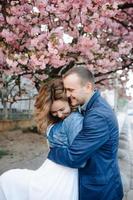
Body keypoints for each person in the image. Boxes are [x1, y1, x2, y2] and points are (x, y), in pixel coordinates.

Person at [48, 66, 124, 200]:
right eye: (66, 90)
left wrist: (52, 151)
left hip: (100, 191)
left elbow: (74, 158)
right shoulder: (91, 107)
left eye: (71, 90)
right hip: (99, 185)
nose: (67, 95)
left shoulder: (98, 116)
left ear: (88, 87)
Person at [0, 78, 83, 200]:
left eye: (62, 109)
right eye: (54, 112)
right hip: (48, 172)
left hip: (62, 178)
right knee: (7, 180)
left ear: (69, 102)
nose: (59, 115)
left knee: (7, 181)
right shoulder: (59, 121)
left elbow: (78, 156)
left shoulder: (74, 120)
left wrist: (54, 152)